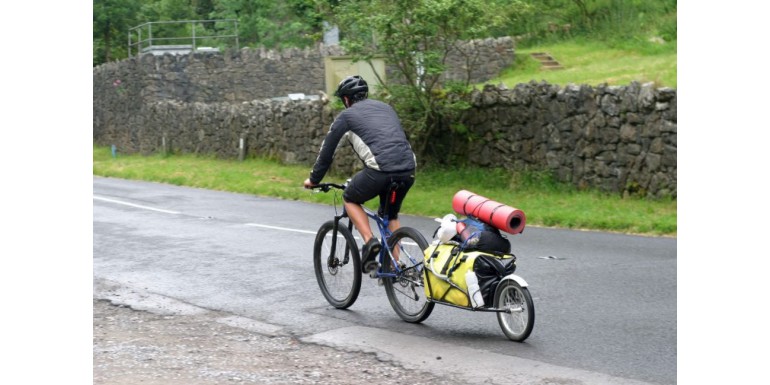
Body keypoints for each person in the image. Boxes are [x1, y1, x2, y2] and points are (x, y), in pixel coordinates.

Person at [303, 75, 417, 274]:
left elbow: (326, 152)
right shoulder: (386, 108)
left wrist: (313, 180)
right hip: (408, 169)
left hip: (380, 170)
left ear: (346, 99)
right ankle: (395, 267)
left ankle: (369, 241)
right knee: (390, 214)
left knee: (350, 197)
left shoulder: (346, 117)